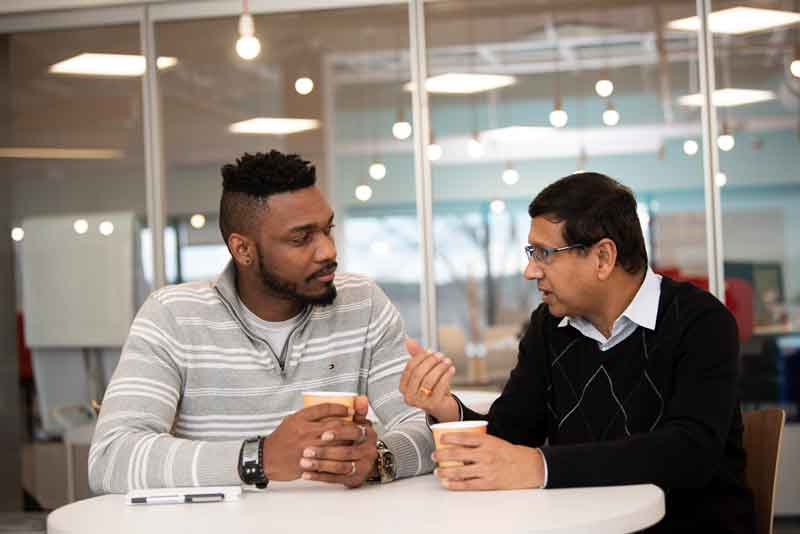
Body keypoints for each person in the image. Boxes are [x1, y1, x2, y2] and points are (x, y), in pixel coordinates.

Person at [400, 172, 755, 533]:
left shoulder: (701, 321)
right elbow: (511, 436)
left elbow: (689, 452)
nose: (529, 271)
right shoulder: (549, 326)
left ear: (602, 257)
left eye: (543, 254)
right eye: (530, 253)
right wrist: (444, 407)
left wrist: (540, 466)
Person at [89, 149, 434, 493]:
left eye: (327, 230)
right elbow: (110, 458)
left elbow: (426, 426)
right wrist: (259, 458)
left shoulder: (363, 303)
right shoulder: (174, 316)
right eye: (301, 238)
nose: (328, 251)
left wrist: (379, 460)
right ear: (243, 250)